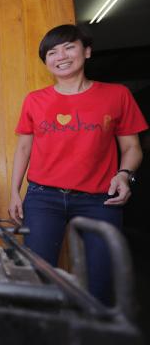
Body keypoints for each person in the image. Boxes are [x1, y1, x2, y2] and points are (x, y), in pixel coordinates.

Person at [8, 24, 148, 304]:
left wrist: (124, 174)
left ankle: (93, 325)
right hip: (43, 197)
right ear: (46, 61)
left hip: (100, 199)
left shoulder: (117, 95)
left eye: (69, 47)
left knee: (101, 279)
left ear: (87, 51)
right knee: (38, 276)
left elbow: (132, 147)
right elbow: (24, 147)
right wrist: (14, 191)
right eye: (52, 52)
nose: (61, 56)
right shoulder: (35, 100)